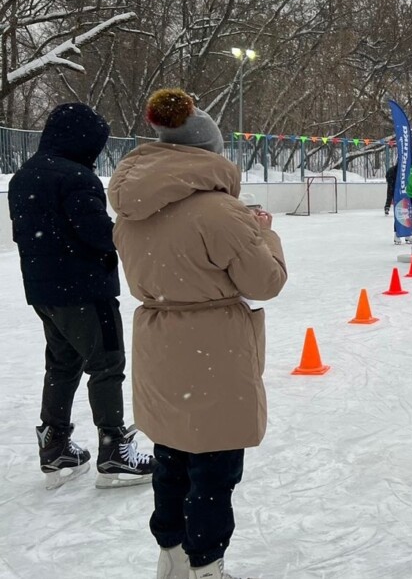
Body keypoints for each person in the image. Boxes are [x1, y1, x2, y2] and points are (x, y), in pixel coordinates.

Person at [109, 89, 288, 579]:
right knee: (214, 468)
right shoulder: (218, 211)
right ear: (208, 153)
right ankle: (207, 566)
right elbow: (265, 282)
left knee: (171, 455)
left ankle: (172, 555)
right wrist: (265, 233)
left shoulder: (131, 208)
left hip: (159, 339)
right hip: (214, 346)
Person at [7, 102, 154, 490]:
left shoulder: (24, 176)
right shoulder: (78, 178)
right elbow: (97, 234)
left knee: (63, 362)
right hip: (86, 289)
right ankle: (113, 448)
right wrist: (124, 233)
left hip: (44, 290)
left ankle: (54, 441)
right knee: (106, 362)